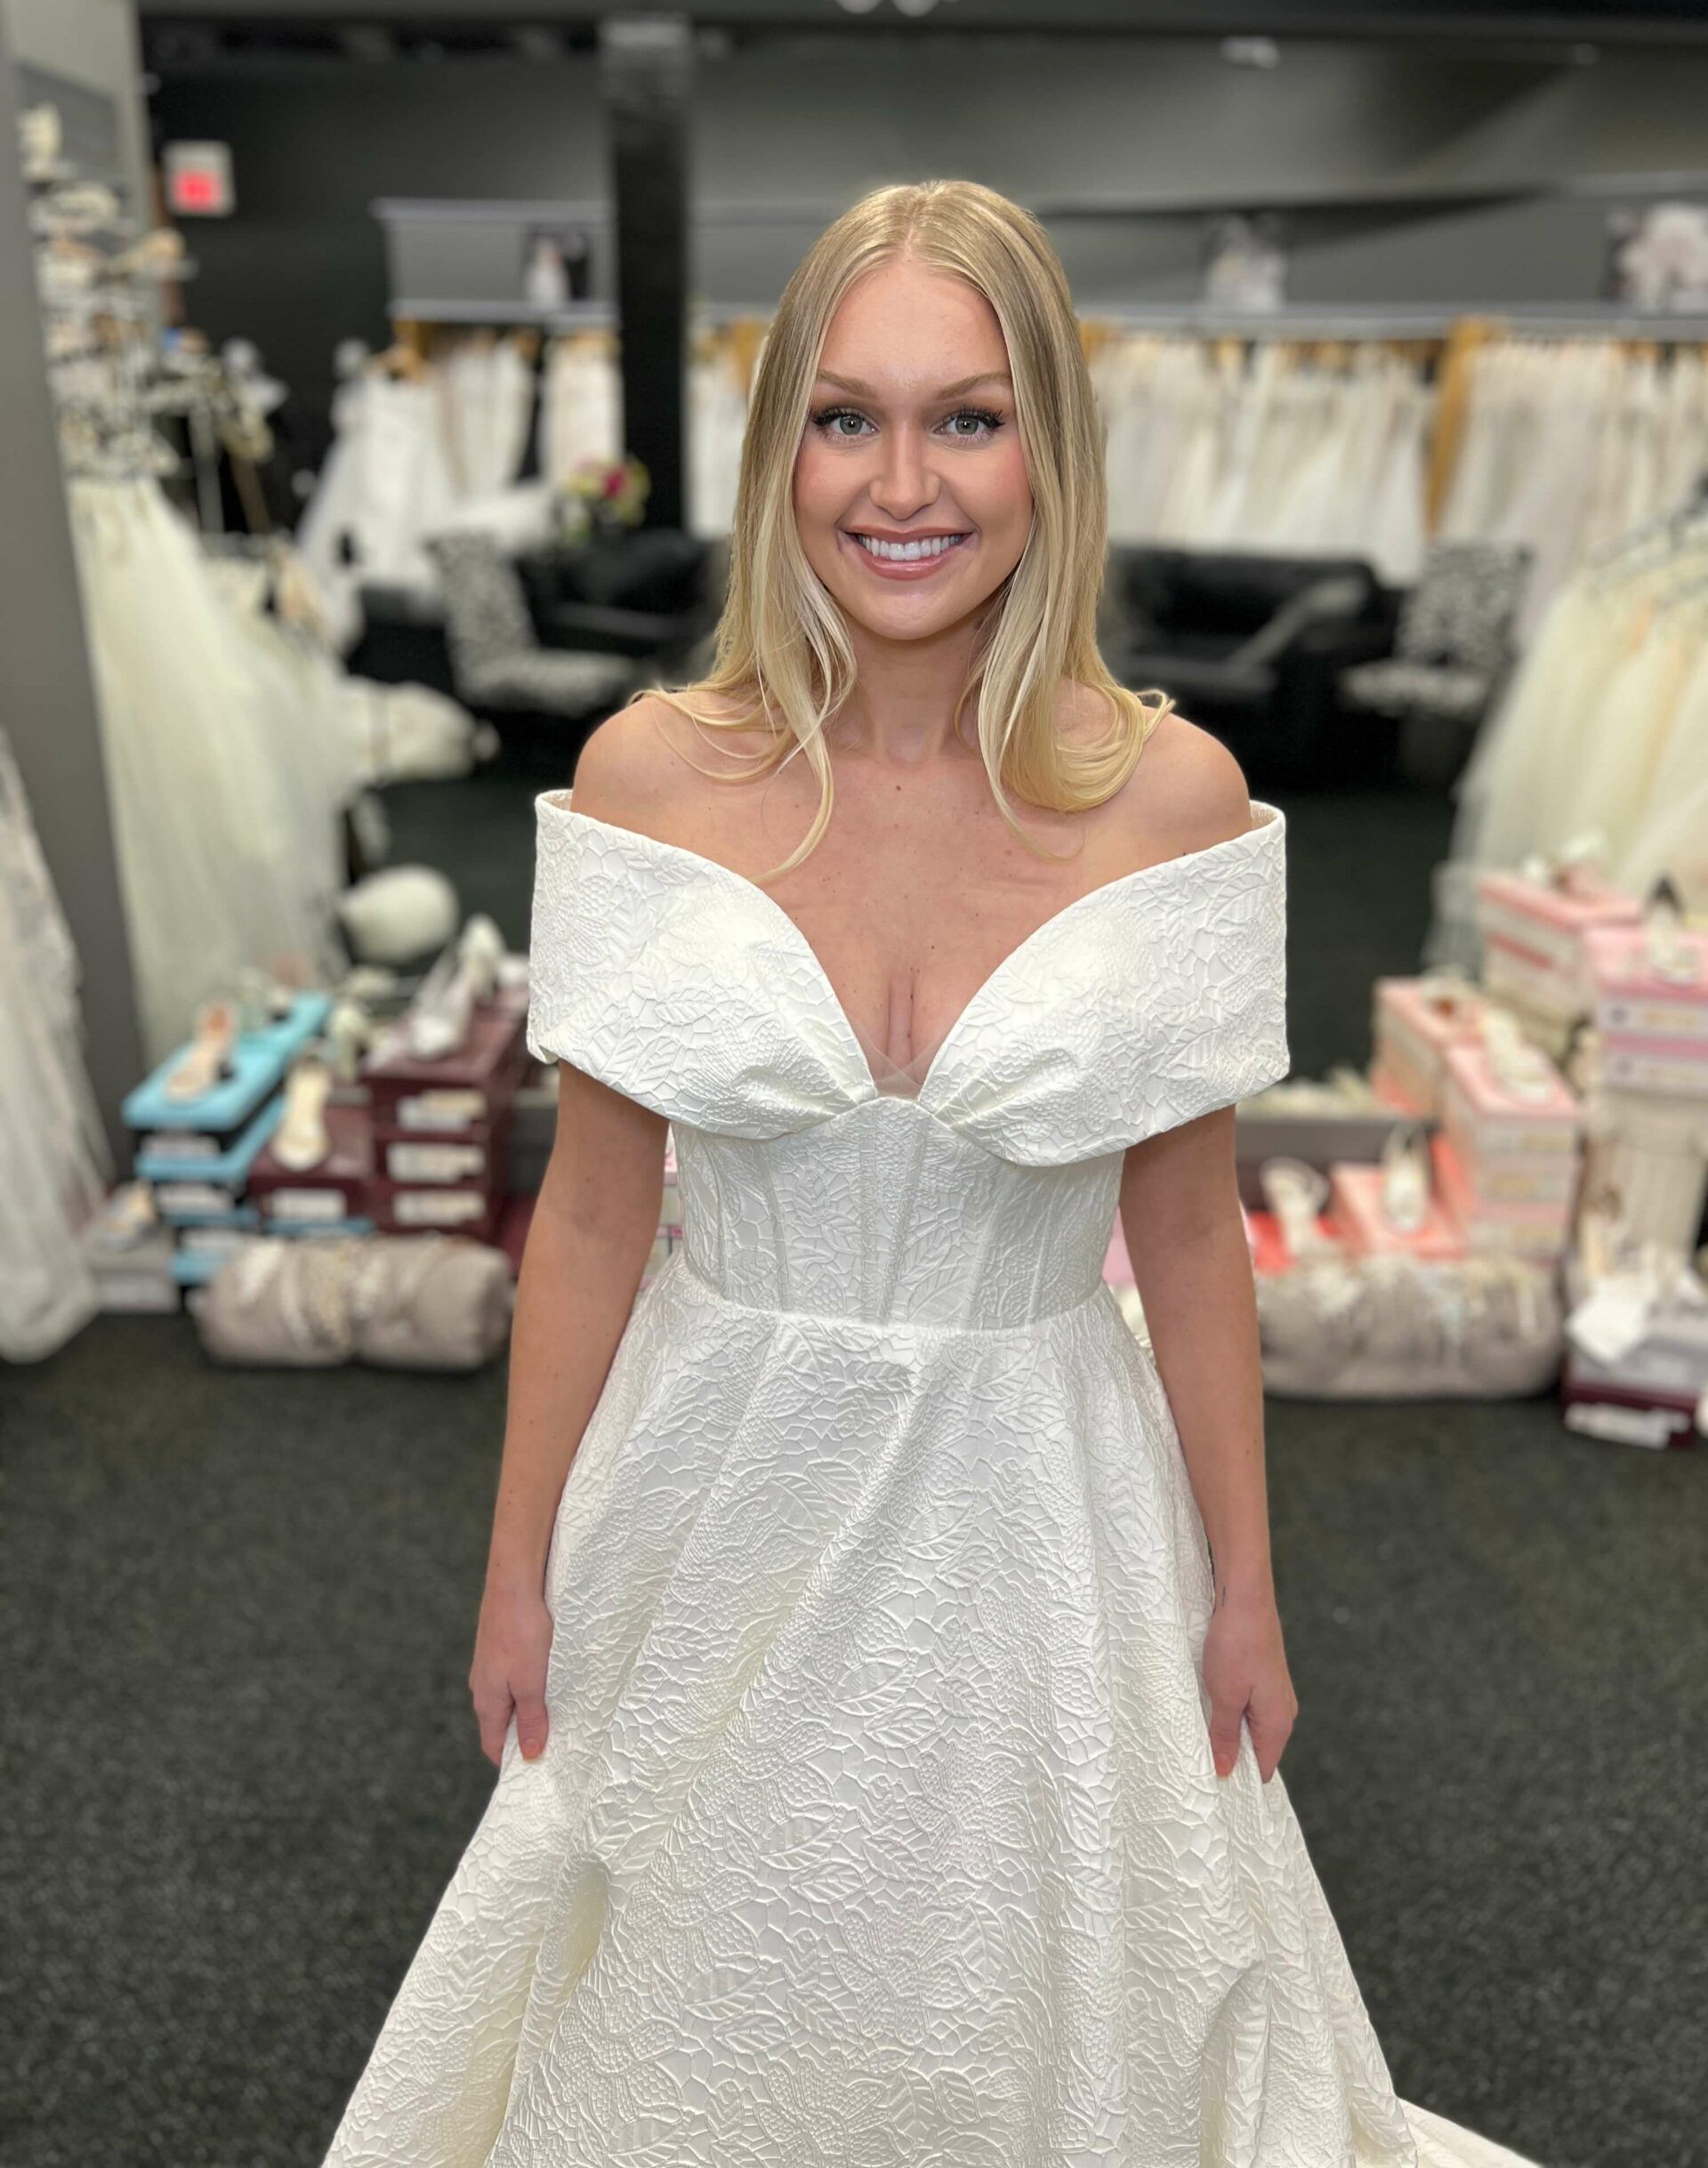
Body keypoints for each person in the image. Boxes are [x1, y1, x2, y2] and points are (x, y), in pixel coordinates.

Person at [321, 181, 1542, 2167]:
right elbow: (599, 1213)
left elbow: (1189, 1235)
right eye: (845, 415)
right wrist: (516, 1560)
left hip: (1044, 1501)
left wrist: (1248, 1585)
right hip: (714, 1488)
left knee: (1043, 1995)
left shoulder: (1174, 801)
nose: (903, 482)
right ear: (776, 447)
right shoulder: (647, 778)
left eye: (968, 418)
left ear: (1049, 446)